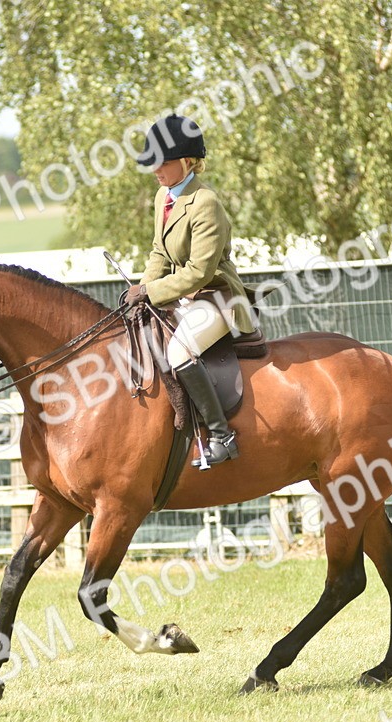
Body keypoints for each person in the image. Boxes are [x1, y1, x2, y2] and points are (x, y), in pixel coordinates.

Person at [124, 114, 258, 468]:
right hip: (185, 297)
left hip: (218, 298)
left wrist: (152, 292)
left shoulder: (205, 203)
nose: (155, 169)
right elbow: (159, 252)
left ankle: (222, 436)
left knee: (180, 352)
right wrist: (142, 289)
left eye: (162, 162)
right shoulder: (163, 197)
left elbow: (200, 272)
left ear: (186, 161)